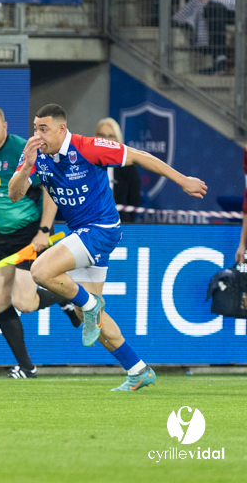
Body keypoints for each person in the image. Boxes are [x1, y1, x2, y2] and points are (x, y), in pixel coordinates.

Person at [12, 104, 207, 390]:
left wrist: (182, 180)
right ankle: (138, 369)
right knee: (87, 317)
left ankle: (91, 304)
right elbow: (14, 195)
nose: (37, 135)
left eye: (44, 129)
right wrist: (27, 165)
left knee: (40, 271)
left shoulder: (89, 147)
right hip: (82, 234)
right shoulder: (35, 156)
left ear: (61, 129)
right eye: (35, 129)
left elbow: (139, 156)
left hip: (102, 229)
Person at [0, 105, 81, 379]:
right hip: (0, 237)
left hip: (29, 233)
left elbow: (49, 190)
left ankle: (65, 295)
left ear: (5, 126)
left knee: (24, 302)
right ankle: (27, 367)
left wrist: (44, 231)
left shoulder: (25, 151)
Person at [94, 118, 142, 211]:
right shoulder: (87, 163)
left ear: (117, 139)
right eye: (102, 135)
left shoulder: (127, 166)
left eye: (111, 136)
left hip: (121, 220)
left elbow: (134, 199)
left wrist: (126, 223)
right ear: (95, 137)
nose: (106, 140)